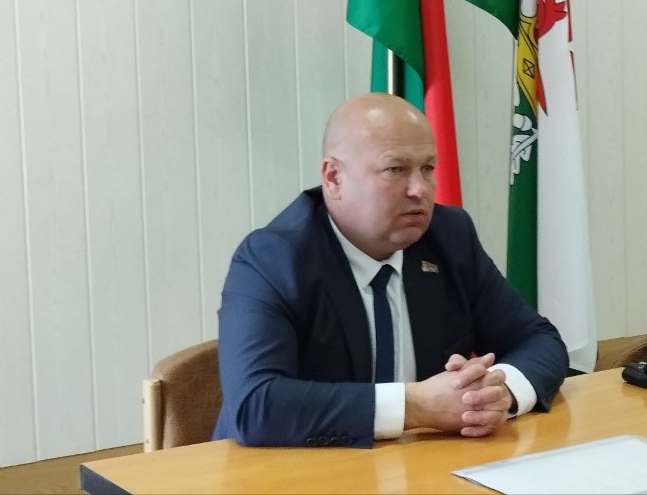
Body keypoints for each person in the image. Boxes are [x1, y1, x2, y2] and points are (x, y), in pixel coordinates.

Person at [212, 93, 568, 448]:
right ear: (333, 177)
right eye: (395, 170)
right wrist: (414, 406)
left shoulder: (450, 237)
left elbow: (538, 340)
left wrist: (498, 393)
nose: (419, 190)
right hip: (291, 469)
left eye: (428, 169)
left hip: (419, 466)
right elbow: (254, 405)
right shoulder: (273, 258)